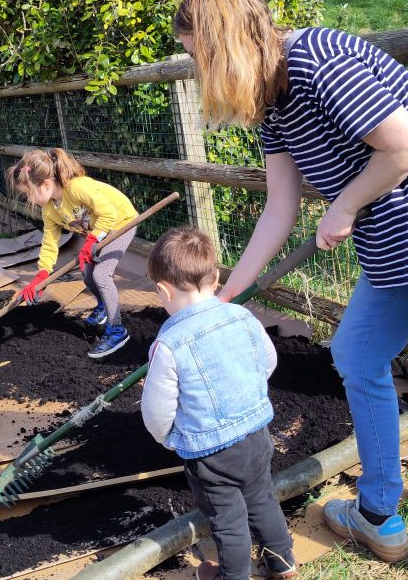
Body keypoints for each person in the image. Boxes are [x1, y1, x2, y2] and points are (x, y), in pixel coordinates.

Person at [173, 0, 408, 580]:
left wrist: (345, 205)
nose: (197, 71)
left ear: (222, 42)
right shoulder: (272, 101)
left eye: (197, 55)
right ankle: (377, 511)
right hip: (398, 245)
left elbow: (404, 147)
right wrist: (225, 293)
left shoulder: (320, 60)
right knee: (357, 353)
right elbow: (280, 207)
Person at [141, 226, 297, 580]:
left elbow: (156, 410)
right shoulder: (242, 316)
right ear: (215, 277)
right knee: (262, 498)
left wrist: (168, 438)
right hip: (257, 436)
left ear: (164, 290)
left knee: (228, 523)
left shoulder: (168, 344)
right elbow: (268, 361)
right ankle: (283, 562)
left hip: (210, 453)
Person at [7, 148, 138, 359]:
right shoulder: (49, 209)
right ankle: (104, 305)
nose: (28, 198)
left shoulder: (77, 187)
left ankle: (116, 331)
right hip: (100, 230)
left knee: (101, 274)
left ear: (46, 184)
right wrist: (42, 274)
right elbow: (49, 242)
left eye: (28, 192)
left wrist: (92, 240)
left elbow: (109, 214)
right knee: (87, 272)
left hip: (121, 223)